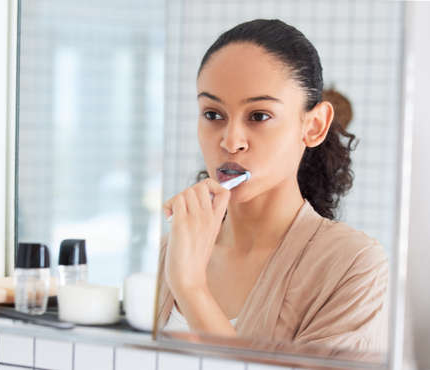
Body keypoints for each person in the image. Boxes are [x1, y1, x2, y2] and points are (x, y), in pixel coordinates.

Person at [157, 19, 388, 353]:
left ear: (314, 126)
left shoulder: (353, 265)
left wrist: (191, 288)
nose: (230, 141)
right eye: (212, 114)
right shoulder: (174, 246)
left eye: (259, 116)